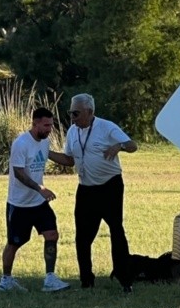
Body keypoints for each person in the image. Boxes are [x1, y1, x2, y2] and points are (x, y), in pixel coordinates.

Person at [54, 93, 138, 293]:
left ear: (90, 112)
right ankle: (86, 280)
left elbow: (133, 146)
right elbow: (69, 160)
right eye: (71, 113)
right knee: (82, 237)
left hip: (110, 187)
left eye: (76, 113)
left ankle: (125, 279)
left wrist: (118, 146)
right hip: (85, 189)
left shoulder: (106, 127)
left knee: (116, 231)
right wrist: (46, 152)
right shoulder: (73, 132)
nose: (72, 117)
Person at [0, 108, 71, 293]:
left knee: (52, 235)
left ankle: (50, 278)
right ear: (35, 123)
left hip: (39, 203)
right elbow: (19, 174)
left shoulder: (44, 142)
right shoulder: (21, 144)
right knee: (14, 243)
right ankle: (6, 280)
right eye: (46, 125)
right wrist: (40, 188)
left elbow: (53, 155)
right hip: (20, 204)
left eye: (51, 125)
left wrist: (73, 159)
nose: (49, 129)